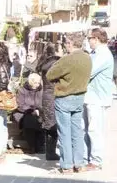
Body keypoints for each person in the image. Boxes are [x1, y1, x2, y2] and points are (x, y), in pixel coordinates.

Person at [46, 32, 92, 174]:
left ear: (70, 44)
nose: (65, 45)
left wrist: (60, 59)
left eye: (66, 43)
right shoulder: (87, 58)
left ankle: (66, 164)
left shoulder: (67, 59)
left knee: (64, 131)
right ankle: (79, 163)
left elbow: (49, 75)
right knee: (77, 131)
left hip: (65, 96)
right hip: (79, 96)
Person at [83, 28, 113, 171]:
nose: (88, 41)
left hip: (98, 98)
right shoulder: (94, 53)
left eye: (90, 38)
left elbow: (89, 72)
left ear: (96, 39)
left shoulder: (103, 55)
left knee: (95, 130)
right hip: (90, 96)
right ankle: (87, 157)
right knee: (87, 129)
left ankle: (96, 160)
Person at [35, 43, 60, 160]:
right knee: (53, 124)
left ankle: (50, 151)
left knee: (49, 123)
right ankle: (51, 152)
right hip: (53, 95)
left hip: (45, 95)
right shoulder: (55, 64)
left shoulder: (44, 63)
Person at [14, 73, 43, 153]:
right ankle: (33, 146)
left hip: (38, 112)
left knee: (41, 120)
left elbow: (43, 104)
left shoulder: (41, 91)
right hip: (24, 112)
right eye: (35, 83)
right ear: (31, 82)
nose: (37, 85)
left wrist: (39, 110)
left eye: (38, 83)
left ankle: (39, 145)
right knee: (29, 120)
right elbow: (20, 105)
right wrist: (32, 110)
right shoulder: (22, 90)